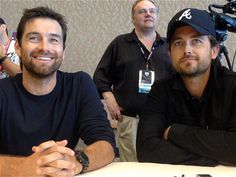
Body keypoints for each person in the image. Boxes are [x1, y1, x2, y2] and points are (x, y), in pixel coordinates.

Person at [0, 6, 116, 177]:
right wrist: (23, 167)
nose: (44, 47)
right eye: (34, 38)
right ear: (17, 47)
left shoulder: (80, 84)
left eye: (54, 40)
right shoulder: (3, 92)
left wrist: (76, 162)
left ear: (63, 52)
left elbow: (106, 143)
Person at [136, 8, 236, 166]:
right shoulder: (161, 90)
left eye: (196, 41)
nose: (187, 50)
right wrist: (210, 158)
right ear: (170, 54)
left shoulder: (232, 86)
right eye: (178, 43)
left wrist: (174, 132)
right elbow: (146, 149)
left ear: (214, 51)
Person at [93, 0, 172, 162]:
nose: (148, 14)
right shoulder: (120, 44)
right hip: (130, 120)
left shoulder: (168, 46)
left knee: (160, 165)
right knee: (131, 166)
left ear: (157, 16)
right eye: (142, 11)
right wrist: (110, 99)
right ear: (133, 18)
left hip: (162, 120)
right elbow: (100, 77)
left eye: (152, 11)